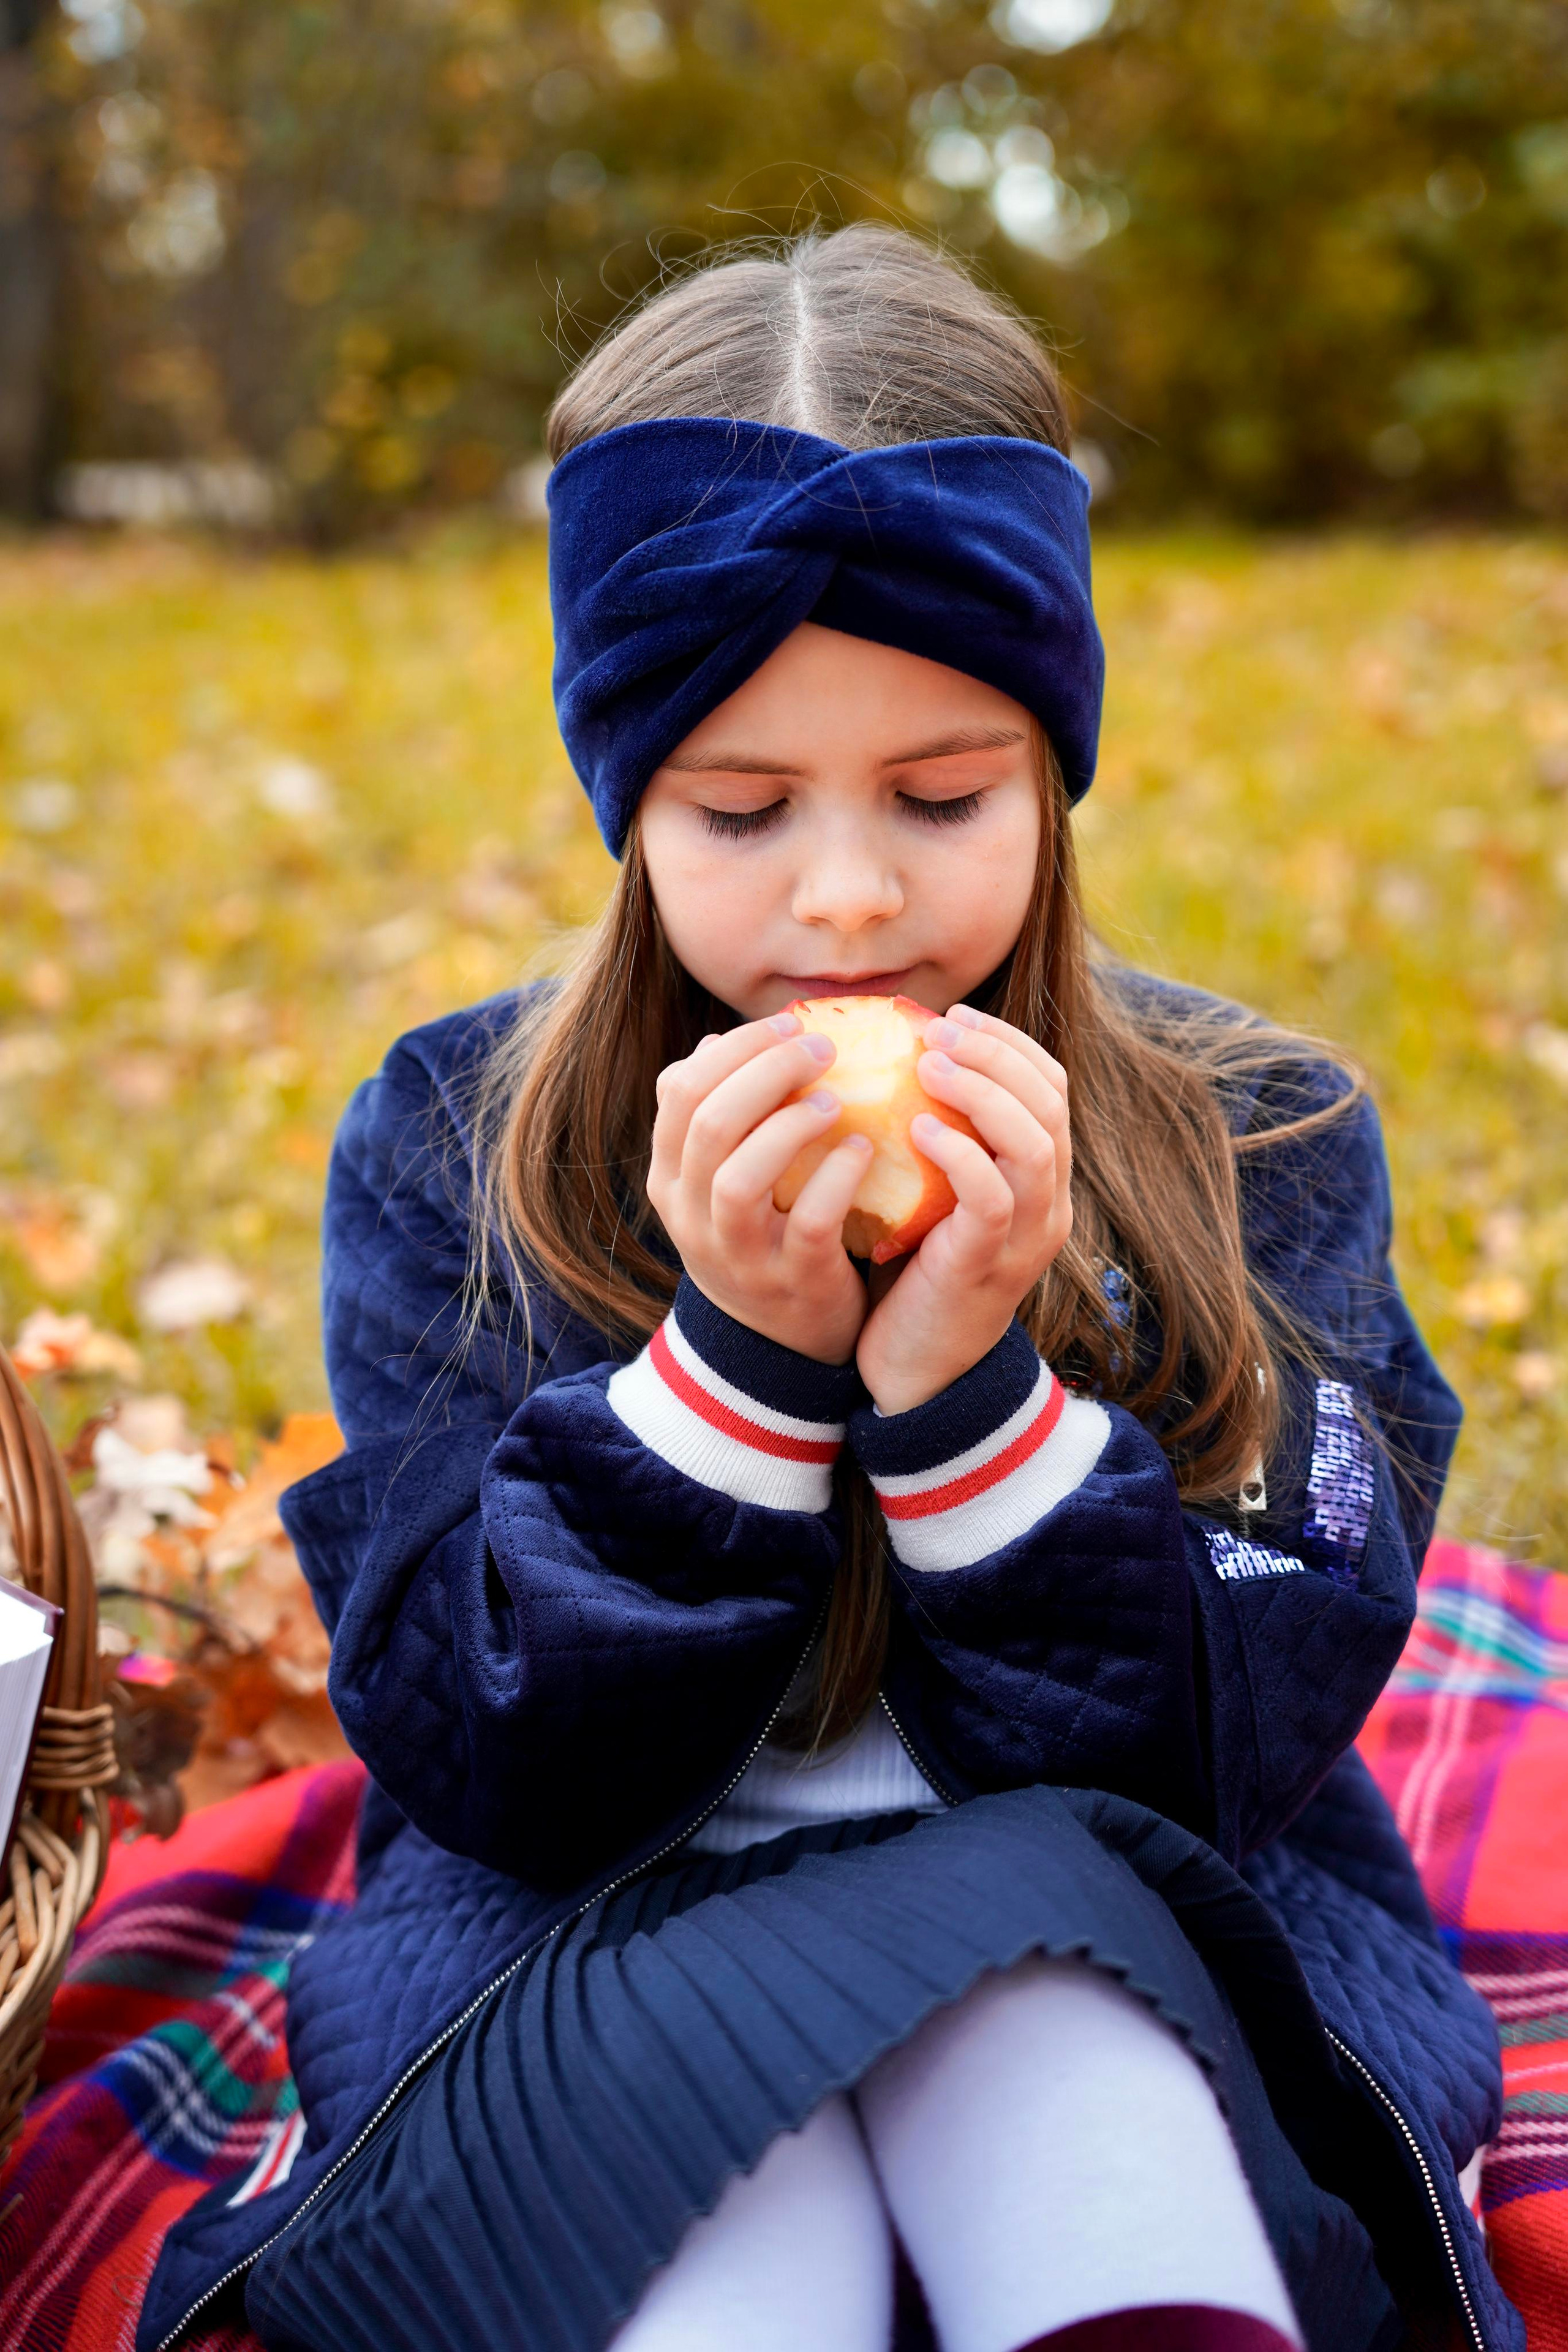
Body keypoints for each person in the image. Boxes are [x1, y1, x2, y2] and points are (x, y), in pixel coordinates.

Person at [136, 225, 1518, 2352]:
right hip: (600, 1925)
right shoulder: (450, 1149)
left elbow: (1249, 1723)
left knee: (1088, 2116)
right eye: (744, 808)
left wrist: (973, 1402)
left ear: (1054, 769)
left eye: (946, 796)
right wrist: (739, 1372)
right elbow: (472, 1751)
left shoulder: (1261, 1145)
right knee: (708, 2236)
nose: (850, 896)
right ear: (627, 804)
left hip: (1114, 1911)